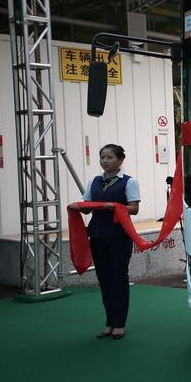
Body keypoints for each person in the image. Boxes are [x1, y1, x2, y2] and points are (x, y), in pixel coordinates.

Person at [68, 144, 140, 340]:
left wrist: (115, 206)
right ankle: (109, 321)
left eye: (109, 157)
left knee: (119, 278)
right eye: (102, 157)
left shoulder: (129, 181)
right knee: (104, 279)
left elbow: (134, 209)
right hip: (97, 235)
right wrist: (78, 207)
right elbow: (87, 208)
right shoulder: (94, 181)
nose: (105, 161)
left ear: (120, 160)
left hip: (119, 235)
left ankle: (119, 323)